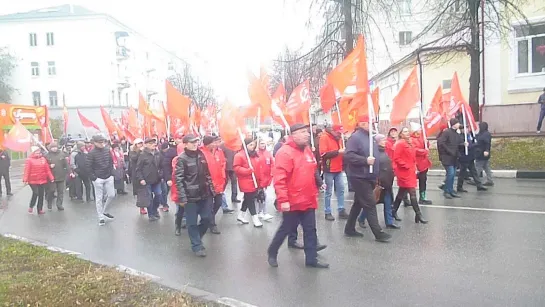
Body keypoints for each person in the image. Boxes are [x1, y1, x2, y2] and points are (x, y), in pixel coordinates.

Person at [267, 123, 328, 269]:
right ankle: (272, 251)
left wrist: (319, 183)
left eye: (307, 132)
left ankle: (311, 259)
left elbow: (313, 169)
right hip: (292, 201)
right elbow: (279, 179)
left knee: (310, 230)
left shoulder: (307, 150)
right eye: (302, 132)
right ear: (292, 135)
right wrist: (283, 200)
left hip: (308, 199)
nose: (307, 134)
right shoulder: (285, 152)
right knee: (286, 229)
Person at [343, 115, 392, 242]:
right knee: (370, 204)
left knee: (358, 204)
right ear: (363, 124)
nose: (373, 125)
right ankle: (378, 233)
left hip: (368, 176)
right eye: (371, 123)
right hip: (359, 176)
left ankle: (349, 229)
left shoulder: (370, 138)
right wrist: (365, 161)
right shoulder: (355, 138)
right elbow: (349, 156)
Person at [174, 134, 215, 257]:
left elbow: (207, 174)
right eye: (192, 142)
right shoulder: (181, 159)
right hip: (190, 196)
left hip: (204, 193)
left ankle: (197, 237)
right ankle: (196, 245)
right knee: (191, 223)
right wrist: (182, 197)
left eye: (196, 142)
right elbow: (179, 179)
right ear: (185, 144)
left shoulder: (201, 155)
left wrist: (212, 189)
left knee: (207, 219)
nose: (195, 144)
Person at [358, 134, 399, 229]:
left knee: (388, 203)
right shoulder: (374, 154)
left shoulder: (384, 152)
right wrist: (376, 181)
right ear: (377, 142)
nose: (384, 141)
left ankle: (389, 222)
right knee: (372, 203)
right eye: (382, 140)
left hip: (387, 183)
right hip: (379, 183)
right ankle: (361, 218)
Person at [391, 127, 429, 224]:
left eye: (408, 131)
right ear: (401, 134)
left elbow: (415, 153)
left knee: (401, 193)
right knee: (412, 192)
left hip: (410, 172)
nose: (407, 133)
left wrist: (425, 150)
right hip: (404, 172)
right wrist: (406, 165)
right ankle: (418, 214)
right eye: (404, 131)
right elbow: (396, 158)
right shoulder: (400, 144)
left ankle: (393, 211)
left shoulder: (410, 143)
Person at [319, 124, 348, 221]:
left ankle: (341, 209)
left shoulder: (339, 138)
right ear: (333, 131)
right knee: (328, 192)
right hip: (329, 169)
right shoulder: (324, 138)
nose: (340, 134)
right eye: (339, 132)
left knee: (341, 190)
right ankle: (327, 212)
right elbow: (323, 154)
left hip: (338, 168)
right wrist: (338, 152)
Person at [200, 135, 228, 234]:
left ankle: (209, 219)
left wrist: (223, 177)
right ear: (207, 144)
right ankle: (212, 224)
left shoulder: (219, 151)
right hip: (207, 184)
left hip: (219, 182)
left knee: (218, 203)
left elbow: (223, 163)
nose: (216, 144)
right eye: (214, 143)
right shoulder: (201, 153)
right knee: (208, 205)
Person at [86, 134, 116, 226]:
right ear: (95, 143)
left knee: (111, 195)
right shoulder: (91, 153)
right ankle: (101, 217)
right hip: (98, 178)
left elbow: (111, 162)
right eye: (100, 142)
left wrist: (111, 173)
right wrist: (94, 178)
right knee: (99, 198)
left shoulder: (107, 150)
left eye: (103, 141)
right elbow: (88, 167)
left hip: (108, 176)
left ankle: (105, 211)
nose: (102, 143)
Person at [233, 138, 263, 227]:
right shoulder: (239, 155)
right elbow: (236, 168)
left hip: (255, 180)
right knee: (250, 199)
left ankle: (241, 215)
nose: (252, 147)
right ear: (245, 145)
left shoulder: (255, 155)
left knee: (247, 198)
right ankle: (255, 218)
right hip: (245, 181)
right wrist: (247, 171)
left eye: (253, 144)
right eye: (250, 145)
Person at [136, 138, 164, 221]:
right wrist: (141, 179)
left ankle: (155, 210)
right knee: (149, 198)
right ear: (146, 145)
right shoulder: (142, 155)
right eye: (151, 143)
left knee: (158, 195)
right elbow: (138, 169)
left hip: (157, 179)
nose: (153, 145)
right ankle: (151, 214)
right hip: (146, 180)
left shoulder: (158, 153)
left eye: (154, 143)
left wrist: (161, 175)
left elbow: (162, 166)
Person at [24, 146, 55, 214]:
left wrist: (51, 177)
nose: (38, 153)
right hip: (32, 180)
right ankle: (31, 206)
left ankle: (39, 209)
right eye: (36, 152)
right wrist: (25, 179)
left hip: (42, 179)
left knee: (41, 195)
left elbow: (47, 170)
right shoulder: (29, 160)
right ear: (33, 152)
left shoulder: (43, 159)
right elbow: (27, 170)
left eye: (39, 152)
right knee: (36, 193)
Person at [437, 118, 463, 199]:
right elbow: (441, 143)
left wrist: (463, 144)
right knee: (450, 174)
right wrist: (449, 151)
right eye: (457, 123)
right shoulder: (447, 132)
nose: (459, 124)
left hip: (454, 157)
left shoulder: (456, 134)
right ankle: (446, 191)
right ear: (454, 124)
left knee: (453, 174)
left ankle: (451, 190)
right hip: (447, 157)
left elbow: (458, 143)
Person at [456, 127, 488, 193]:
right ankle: (459, 187)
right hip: (464, 157)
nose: (467, 130)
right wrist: (473, 145)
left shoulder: (470, 135)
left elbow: (473, 143)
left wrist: (475, 143)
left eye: (467, 129)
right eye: (465, 129)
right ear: (461, 130)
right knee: (462, 173)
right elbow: (461, 146)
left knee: (474, 172)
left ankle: (479, 185)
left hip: (470, 157)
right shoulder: (460, 137)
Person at [409, 123, 433, 205]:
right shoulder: (411, 139)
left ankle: (422, 197)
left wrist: (427, 143)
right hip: (416, 164)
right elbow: (415, 150)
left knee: (423, 181)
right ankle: (405, 198)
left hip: (423, 164)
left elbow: (425, 146)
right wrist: (424, 151)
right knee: (410, 183)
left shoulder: (421, 138)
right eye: (419, 130)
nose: (420, 131)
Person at [45, 142, 68, 211]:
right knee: (51, 191)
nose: (54, 148)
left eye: (55, 147)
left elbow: (66, 165)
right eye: (53, 147)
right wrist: (49, 166)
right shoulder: (47, 156)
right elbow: (44, 166)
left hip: (61, 176)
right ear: (50, 148)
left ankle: (59, 204)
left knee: (60, 191)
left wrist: (69, 172)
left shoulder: (61, 154)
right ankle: (49, 202)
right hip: (52, 177)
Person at [256, 139, 274, 221]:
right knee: (262, 196)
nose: (263, 145)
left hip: (266, 178)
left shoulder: (268, 153)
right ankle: (263, 212)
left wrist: (271, 174)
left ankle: (260, 212)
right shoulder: (256, 153)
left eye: (264, 143)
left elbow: (272, 164)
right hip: (259, 178)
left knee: (262, 196)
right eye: (261, 143)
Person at [129, 138, 146, 214]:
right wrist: (140, 151)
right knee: (140, 191)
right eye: (139, 143)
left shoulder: (144, 151)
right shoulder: (133, 152)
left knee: (146, 191)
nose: (140, 145)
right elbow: (134, 158)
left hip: (145, 172)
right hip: (136, 174)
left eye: (141, 143)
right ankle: (141, 207)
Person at [474, 122, 494, 186]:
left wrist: (487, 150)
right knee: (486, 167)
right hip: (480, 152)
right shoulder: (481, 134)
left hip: (482, 153)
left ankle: (476, 180)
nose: (479, 128)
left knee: (478, 167)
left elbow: (487, 143)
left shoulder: (486, 134)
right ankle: (490, 180)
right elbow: (477, 138)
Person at [160, 142, 177, 212]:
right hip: (163, 175)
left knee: (166, 191)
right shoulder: (159, 154)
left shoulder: (172, 152)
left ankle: (163, 202)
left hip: (170, 174)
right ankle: (164, 205)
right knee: (164, 191)